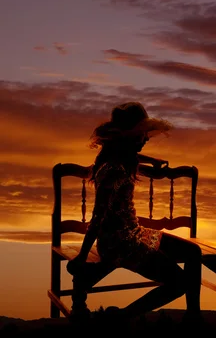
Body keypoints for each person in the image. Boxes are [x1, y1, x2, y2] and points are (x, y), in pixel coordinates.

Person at [67, 102, 203, 323]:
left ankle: (193, 318)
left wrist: (151, 160)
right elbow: (97, 218)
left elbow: (132, 157)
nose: (146, 139)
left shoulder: (121, 156)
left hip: (134, 232)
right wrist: (83, 257)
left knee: (193, 252)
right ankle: (123, 317)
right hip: (120, 244)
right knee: (179, 283)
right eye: (142, 134)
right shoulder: (113, 170)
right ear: (128, 136)